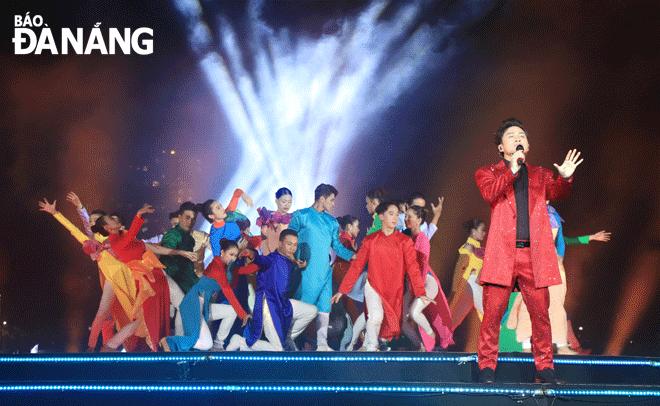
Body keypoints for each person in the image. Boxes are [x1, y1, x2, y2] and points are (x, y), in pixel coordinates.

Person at [475, 118, 582, 384]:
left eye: (521, 135)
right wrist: (511, 170)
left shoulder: (540, 175)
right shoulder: (487, 172)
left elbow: (559, 192)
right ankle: (486, 367)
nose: (517, 138)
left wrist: (565, 177)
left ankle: (545, 367)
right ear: (501, 147)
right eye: (511, 135)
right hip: (503, 255)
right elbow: (491, 194)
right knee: (492, 314)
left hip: (533, 256)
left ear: (528, 144)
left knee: (541, 315)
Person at [507, 204, 610, 355]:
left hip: (554, 264)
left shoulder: (553, 214)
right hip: (533, 263)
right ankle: (527, 346)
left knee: (556, 304)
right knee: (528, 303)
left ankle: (562, 345)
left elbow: (562, 240)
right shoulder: (527, 210)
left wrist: (590, 238)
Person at [331, 201, 434, 352]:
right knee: (375, 317)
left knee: (389, 323)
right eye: (391, 214)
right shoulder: (370, 240)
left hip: (393, 291)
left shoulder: (405, 241)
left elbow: (413, 268)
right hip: (373, 285)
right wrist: (343, 290)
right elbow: (357, 266)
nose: (395, 218)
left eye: (397, 215)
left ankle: (372, 346)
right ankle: (371, 349)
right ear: (381, 217)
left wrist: (420, 292)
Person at [288, 184, 356, 351]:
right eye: (332, 200)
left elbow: (338, 247)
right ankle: (287, 338)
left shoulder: (331, 222)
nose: (333, 204)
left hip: (325, 273)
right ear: (322, 198)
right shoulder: (301, 216)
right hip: (306, 272)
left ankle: (322, 343)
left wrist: (353, 256)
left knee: (325, 308)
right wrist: (294, 259)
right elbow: (288, 240)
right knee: (305, 308)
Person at [226, 229, 318, 351]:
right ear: (280, 243)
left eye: (295, 245)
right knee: (278, 350)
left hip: (283, 303)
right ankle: (241, 342)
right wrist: (252, 255)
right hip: (269, 306)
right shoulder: (271, 259)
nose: (292, 248)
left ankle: (286, 338)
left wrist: (295, 262)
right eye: (289, 244)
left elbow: (288, 258)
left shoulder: (287, 258)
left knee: (311, 311)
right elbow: (262, 260)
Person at [161, 239, 251, 351]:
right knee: (204, 344)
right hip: (194, 303)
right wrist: (243, 314)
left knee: (231, 311)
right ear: (222, 252)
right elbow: (227, 291)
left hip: (203, 306)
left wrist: (254, 258)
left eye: (235, 256)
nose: (233, 258)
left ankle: (218, 345)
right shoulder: (216, 264)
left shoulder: (225, 268)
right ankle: (169, 341)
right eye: (231, 255)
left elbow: (244, 272)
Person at [401, 205, 453, 351]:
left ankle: (432, 339)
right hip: (413, 284)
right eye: (405, 216)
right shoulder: (409, 237)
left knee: (414, 312)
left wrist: (420, 291)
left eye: (409, 216)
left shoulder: (422, 238)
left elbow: (422, 267)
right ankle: (420, 346)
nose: (406, 219)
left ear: (419, 220)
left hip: (426, 283)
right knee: (401, 320)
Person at [448, 219, 487, 329]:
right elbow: (459, 269)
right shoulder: (469, 247)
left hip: (470, 287)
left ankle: (440, 342)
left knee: (456, 319)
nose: (484, 233)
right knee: (488, 315)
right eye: (482, 230)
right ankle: (500, 342)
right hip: (471, 284)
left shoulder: (477, 248)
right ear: (474, 231)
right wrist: (455, 289)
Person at [331, 214, 362, 350]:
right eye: (357, 226)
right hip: (342, 273)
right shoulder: (344, 238)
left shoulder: (347, 239)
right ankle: (358, 341)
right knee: (351, 308)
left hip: (344, 273)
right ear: (349, 227)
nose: (359, 229)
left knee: (351, 309)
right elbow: (350, 256)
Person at [257, 188, 293, 256]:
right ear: (276, 200)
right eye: (284, 201)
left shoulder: (293, 218)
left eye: (289, 202)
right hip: (270, 258)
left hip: (288, 259)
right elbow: (264, 241)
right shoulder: (268, 217)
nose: (287, 205)